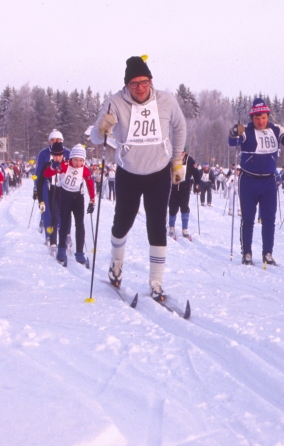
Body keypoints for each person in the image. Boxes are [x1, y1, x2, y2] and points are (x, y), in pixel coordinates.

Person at [90, 55, 187, 301]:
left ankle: (156, 282)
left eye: (144, 82)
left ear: (151, 81)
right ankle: (115, 265)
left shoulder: (166, 101)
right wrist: (103, 127)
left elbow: (180, 126)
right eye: (134, 84)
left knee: (157, 225)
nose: (140, 88)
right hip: (129, 173)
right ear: (127, 86)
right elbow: (95, 138)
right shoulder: (114, 102)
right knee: (122, 222)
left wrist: (176, 161)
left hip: (158, 173)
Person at [228, 97, 284, 265]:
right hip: (248, 181)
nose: (260, 121)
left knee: (269, 219)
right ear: (252, 118)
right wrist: (234, 131)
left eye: (263, 118)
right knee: (248, 219)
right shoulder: (246, 130)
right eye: (256, 118)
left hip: (268, 182)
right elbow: (232, 142)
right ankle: (247, 252)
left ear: (268, 116)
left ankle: (267, 253)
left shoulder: (276, 129)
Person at [41, 144, 95, 266]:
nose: (78, 163)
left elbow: (90, 184)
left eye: (81, 160)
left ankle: (80, 253)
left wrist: (92, 201)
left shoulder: (84, 169)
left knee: (80, 224)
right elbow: (46, 174)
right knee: (64, 224)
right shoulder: (65, 165)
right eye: (75, 159)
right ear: (71, 158)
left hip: (78, 198)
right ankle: (61, 250)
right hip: (65, 196)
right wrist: (54, 168)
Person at [35, 130, 70, 243]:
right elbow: (39, 171)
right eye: (53, 140)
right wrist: (37, 188)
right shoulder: (43, 153)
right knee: (47, 210)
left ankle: (64, 233)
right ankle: (49, 235)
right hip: (46, 183)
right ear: (49, 141)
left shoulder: (67, 152)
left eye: (58, 140)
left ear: (62, 141)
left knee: (63, 210)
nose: (55, 142)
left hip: (62, 183)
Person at [168, 148, 200, 240]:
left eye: (182, 152)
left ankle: (184, 229)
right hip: (174, 187)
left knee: (184, 207)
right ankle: (171, 227)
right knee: (173, 207)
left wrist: (197, 184)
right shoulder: (173, 159)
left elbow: (196, 173)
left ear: (185, 152)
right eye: (179, 152)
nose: (181, 154)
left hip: (185, 188)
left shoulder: (189, 160)